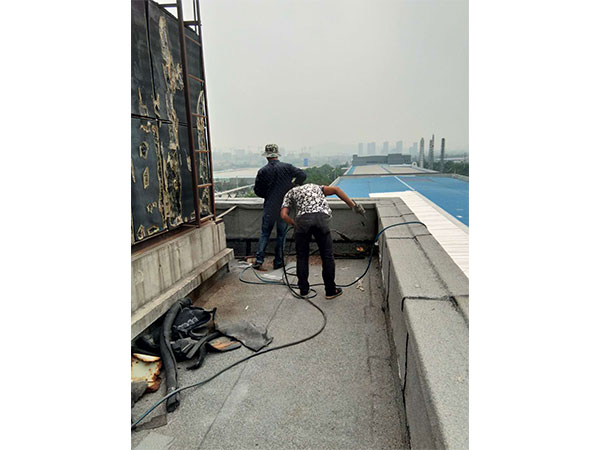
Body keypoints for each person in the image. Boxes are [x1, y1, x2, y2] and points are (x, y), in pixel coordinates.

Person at [280, 183, 366, 299]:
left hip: (302, 222)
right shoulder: (316, 187)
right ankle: (330, 291)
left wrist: (294, 224)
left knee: (302, 256)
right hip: (321, 219)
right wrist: (353, 206)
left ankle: (304, 290)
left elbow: (284, 215)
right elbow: (336, 189)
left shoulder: (290, 192)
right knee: (327, 255)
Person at [253, 144, 307, 270]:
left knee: (265, 233)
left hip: (269, 207)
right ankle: (278, 261)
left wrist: (267, 195)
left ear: (266, 156)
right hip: (284, 207)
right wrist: (294, 185)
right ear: (277, 155)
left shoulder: (263, 171)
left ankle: (259, 260)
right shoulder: (287, 167)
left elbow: (257, 190)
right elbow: (303, 175)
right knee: (281, 235)